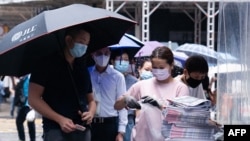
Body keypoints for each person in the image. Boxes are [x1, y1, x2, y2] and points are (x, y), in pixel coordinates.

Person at [28, 25, 96, 141]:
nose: (84, 47)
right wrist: (59, 119)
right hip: (56, 131)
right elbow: (33, 99)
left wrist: (91, 113)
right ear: (69, 40)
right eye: (81, 42)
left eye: (87, 44)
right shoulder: (46, 64)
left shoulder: (82, 66)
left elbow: (91, 100)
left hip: (83, 130)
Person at [114, 46, 190, 141]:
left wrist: (160, 106)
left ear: (171, 65)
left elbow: (182, 117)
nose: (158, 71)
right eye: (154, 67)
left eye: (161, 67)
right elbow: (117, 106)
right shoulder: (141, 85)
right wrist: (125, 99)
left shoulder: (180, 88)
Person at [89, 47, 128, 141]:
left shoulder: (118, 77)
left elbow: (123, 104)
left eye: (106, 53)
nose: (103, 56)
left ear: (110, 54)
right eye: (99, 53)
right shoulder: (88, 73)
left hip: (110, 124)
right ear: (92, 55)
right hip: (90, 123)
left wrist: (121, 132)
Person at [111, 50, 138, 141]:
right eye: (120, 59)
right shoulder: (107, 78)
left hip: (128, 120)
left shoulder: (133, 81)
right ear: (112, 61)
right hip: (111, 119)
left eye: (126, 60)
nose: (123, 62)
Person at [16, 74, 36, 141]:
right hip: (24, 104)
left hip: (30, 104)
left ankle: (32, 139)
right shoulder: (25, 78)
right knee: (19, 121)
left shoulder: (33, 78)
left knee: (30, 122)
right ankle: (22, 139)